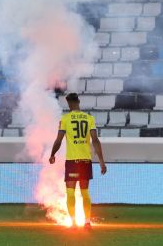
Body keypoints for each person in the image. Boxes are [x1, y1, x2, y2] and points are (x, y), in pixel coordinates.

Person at [49, 93, 107, 229]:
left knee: (70, 192)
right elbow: (95, 141)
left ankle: (74, 223)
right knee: (85, 192)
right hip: (85, 161)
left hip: (72, 162)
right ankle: (87, 222)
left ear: (69, 104)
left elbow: (58, 140)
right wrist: (102, 162)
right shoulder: (89, 118)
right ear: (79, 101)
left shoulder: (65, 119)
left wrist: (52, 154)